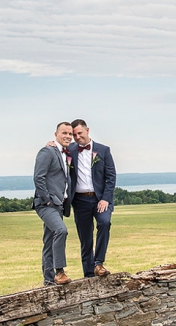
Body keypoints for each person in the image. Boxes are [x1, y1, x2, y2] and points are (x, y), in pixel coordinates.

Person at [68, 119, 116, 278]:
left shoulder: (103, 150)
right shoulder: (70, 150)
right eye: (74, 135)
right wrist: (51, 144)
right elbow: (58, 150)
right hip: (80, 201)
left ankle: (99, 263)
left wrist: (105, 199)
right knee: (85, 238)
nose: (77, 137)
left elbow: (111, 176)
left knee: (104, 222)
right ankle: (89, 275)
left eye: (79, 133)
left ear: (87, 130)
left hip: (100, 199)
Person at [32, 121, 74, 286]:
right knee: (61, 230)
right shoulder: (47, 151)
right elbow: (38, 177)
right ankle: (59, 272)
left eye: (70, 134)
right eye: (64, 133)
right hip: (46, 204)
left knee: (49, 241)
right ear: (56, 134)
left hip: (59, 205)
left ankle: (48, 280)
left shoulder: (64, 154)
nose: (68, 136)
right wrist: (47, 199)